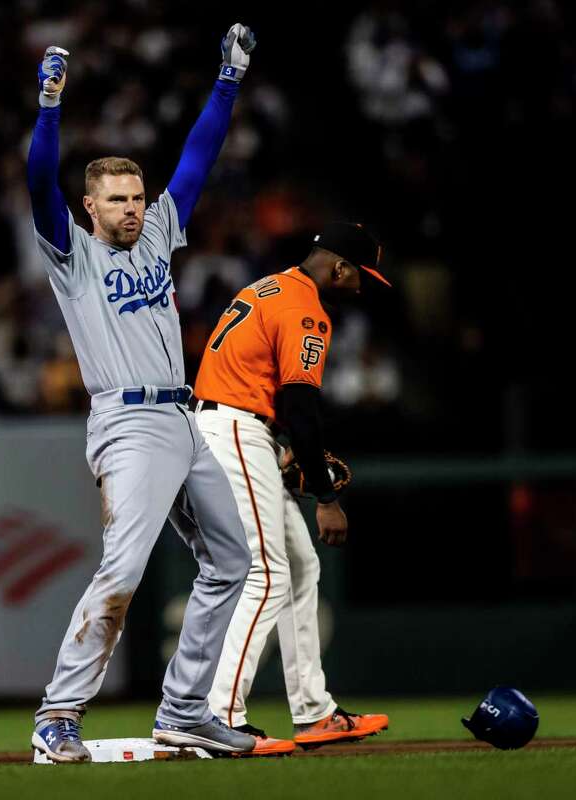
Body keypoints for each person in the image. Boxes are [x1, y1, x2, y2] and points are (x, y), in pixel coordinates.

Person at [27, 24, 294, 762]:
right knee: (124, 567)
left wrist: (228, 80)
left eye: (137, 196)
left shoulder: (158, 231)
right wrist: (49, 106)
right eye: (115, 200)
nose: (131, 209)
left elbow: (199, 156)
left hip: (181, 416)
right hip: (126, 421)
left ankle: (183, 709)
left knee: (233, 560)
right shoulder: (71, 250)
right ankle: (57, 716)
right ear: (89, 208)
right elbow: (37, 179)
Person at [193, 222, 391, 749]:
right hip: (233, 428)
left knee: (301, 565)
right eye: (361, 275)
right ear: (340, 267)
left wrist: (278, 442)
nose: (361, 286)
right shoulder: (305, 308)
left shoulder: (268, 286)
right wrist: (326, 498)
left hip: (234, 423)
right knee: (268, 572)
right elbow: (303, 408)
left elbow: (258, 379)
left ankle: (313, 711)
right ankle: (218, 716)